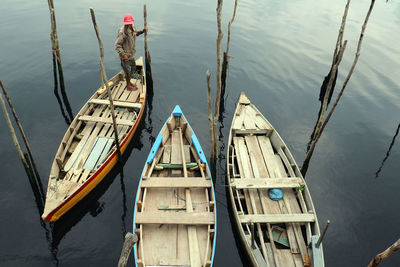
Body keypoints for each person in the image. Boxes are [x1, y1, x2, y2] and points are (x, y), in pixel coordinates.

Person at [115, 14, 147, 91]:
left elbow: (136, 33)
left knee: (133, 69)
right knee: (127, 71)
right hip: (125, 57)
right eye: (127, 23)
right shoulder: (122, 32)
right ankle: (128, 86)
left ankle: (129, 83)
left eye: (130, 23)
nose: (129, 24)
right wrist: (123, 54)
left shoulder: (132, 28)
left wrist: (143, 31)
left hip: (131, 54)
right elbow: (117, 45)